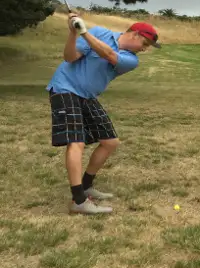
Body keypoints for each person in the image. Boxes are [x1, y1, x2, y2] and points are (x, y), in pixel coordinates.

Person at [47, 11, 161, 215]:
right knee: (77, 142)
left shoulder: (130, 59)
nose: (145, 50)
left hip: (87, 95)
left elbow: (108, 54)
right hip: (65, 88)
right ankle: (79, 200)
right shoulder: (100, 32)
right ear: (135, 34)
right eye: (145, 44)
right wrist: (73, 33)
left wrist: (83, 32)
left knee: (110, 142)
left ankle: (86, 184)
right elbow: (69, 57)